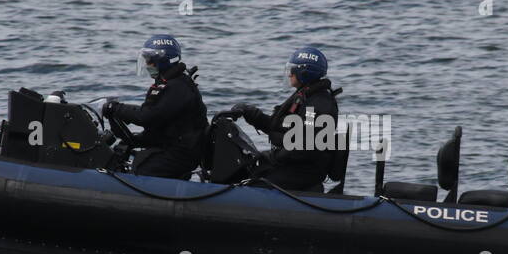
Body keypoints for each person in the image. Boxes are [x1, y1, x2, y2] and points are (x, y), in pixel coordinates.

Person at [221, 46, 339, 191]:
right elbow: (278, 127)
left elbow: (303, 147)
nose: (289, 74)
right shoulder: (305, 97)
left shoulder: (316, 106)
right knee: (244, 171)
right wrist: (249, 112)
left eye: (292, 70)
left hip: (303, 172)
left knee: (253, 186)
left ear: (304, 72)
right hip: (292, 164)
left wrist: (272, 156)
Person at [103, 34, 207, 179]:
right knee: (125, 151)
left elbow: (148, 116)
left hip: (183, 152)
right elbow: (160, 124)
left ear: (163, 60)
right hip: (174, 145)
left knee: (143, 167)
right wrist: (135, 139)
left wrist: (115, 108)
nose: (146, 64)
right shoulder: (168, 83)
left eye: (149, 60)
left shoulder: (177, 87)